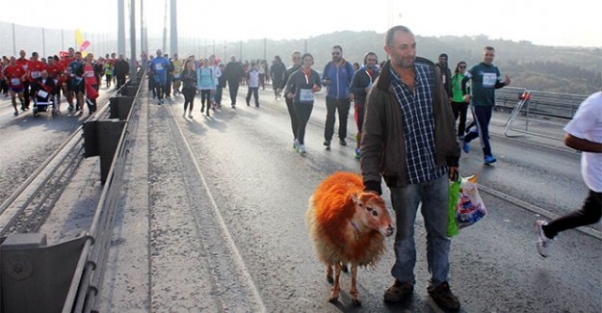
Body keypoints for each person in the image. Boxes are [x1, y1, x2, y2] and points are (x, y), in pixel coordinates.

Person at [360, 25, 461, 311]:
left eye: (413, 46)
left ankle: (439, 284)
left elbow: (445, 117)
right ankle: (403, 280)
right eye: (403, 47)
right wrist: (371, 182)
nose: (410, 52)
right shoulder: (379, 90)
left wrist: (452, 157)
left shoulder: (431, 74)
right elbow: (370, 140)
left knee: (440, 231)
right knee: (403, 234)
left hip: (437, 169)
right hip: (404, 176)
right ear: (388, 50)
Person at [536, 90, 602, 257]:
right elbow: (570, 139)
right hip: (599, 175)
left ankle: (548, 229)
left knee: (590, 215)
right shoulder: (595, 104)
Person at [461, 46, 511, 164]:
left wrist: (504, 83)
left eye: (491, 55)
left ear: (494, 56)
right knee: (484, 131)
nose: (489, 57)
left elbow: (496, 85)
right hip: (477, 103)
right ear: (483, 55)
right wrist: (465, 94)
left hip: (489, 103)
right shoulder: (476, 68)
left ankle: (466, 138)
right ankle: (487, 155)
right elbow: (463, 81)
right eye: (487, 54)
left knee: (481, 129)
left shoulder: (495, 69)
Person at [284, 53, 321, 155]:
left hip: (309, 102)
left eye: (310, 60)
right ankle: (301, 144)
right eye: (306, 60)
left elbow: (319, 85)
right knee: (302, 122)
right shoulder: (296, 74)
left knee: (303, 123)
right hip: (298, 102)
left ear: (312, 62)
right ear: (302, 61)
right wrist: (289, 93)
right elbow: (288, 85)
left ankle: (297, 140)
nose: (308, 62)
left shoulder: (315, 74)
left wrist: (317, 88)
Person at [321, 45, 355, 149]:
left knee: (343, 118)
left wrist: (352, 93)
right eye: (333, 53)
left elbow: (353, 81)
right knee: (330, 118)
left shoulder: (348, 66)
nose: (335, 55)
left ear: (341, 54)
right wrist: (325, 82)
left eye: (337, 53)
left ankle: (342, 138)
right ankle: (327, 139)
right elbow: (322, 80)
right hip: (330, 96)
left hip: (344, 97)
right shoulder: (328, 66)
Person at [350, 52, 379, 159]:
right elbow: (352, 89)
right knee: (361, 129)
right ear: (365, 61)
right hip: (360, 104)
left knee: (371, 129)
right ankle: (358, 148)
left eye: (373, 60)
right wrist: (364, 90)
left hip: (373, 106)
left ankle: (369, 149)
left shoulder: (378, 73)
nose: (371, 62)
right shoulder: (358, 73)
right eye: (369, 60)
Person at [280, 51, 302, 147]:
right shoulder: (288, 70)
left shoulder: (304, 70)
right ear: (292, 59)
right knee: (294, 118)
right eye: (294, 58)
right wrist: (279, 89)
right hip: (290, 97)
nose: (296, 60)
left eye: (298, 58)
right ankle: (296, 138)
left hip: (302, 98)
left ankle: (300, 137)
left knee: (301, 119)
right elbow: (284, 82)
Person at [451, 61, 469, 137]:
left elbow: (469, 88)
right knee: (454, 117)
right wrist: (450, 96)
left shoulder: (467, 77)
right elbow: (449, 87)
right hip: (455, 100)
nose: (462, 68)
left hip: (464, 101)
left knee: (463, 119)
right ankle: (451, 131)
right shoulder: (454, 77)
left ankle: (461, 134)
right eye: (461, 67)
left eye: (464, 67)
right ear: (458, 67)